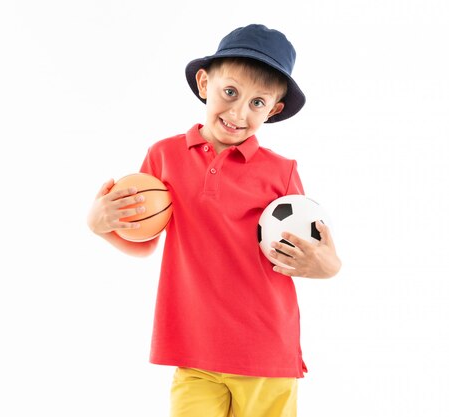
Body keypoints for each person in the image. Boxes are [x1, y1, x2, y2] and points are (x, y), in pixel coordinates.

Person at [87, 24, 341, 417]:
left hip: (265, 352)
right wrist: (99, 223)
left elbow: (311, 251)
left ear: (273, 110)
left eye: (258, 103)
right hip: (192, 350)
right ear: (205, 82)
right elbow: (143, 242)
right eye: (230, 92)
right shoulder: (163, 156)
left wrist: (329, 266)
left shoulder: (282, 172)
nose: (239, 112)